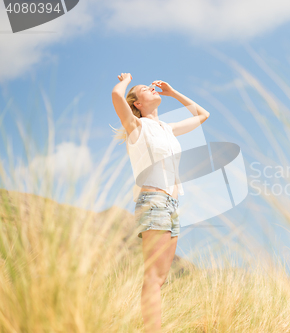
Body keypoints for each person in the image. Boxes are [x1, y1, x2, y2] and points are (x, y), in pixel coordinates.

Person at [111, 72, 210, 333]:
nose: (152, 89)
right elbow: (116, 96)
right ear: (138, 104)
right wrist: (127, 79)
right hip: (153, 200)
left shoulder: (167, 128)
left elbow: (203, 115)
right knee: (153, 277)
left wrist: (173, 92)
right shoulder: (136, 126)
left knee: (161, 278)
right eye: (145, 89)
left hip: (172, 206)